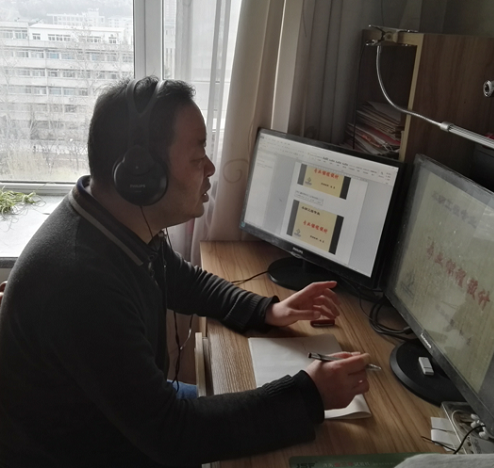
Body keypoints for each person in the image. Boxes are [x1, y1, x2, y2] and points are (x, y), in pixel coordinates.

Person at [0, 77, 371, 467]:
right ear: (141, 175)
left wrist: (266, 310)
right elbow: (173, 434)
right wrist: (309, 394)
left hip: (120, 419)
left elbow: (181, 279)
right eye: (197, 157)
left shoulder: (111, 222)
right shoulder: (82, 283)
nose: (210, 168)